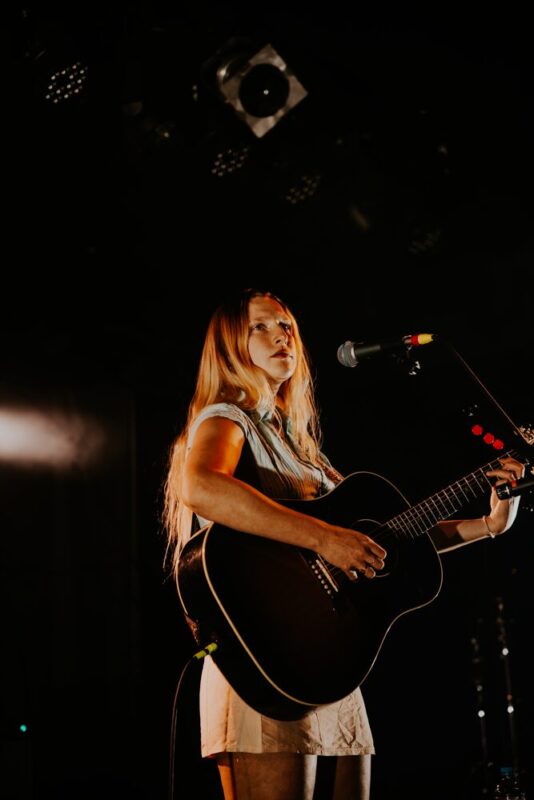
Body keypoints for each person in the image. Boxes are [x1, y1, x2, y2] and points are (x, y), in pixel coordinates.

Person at [163, 288, 524, 800]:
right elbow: (200, 486)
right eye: (259, 327)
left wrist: (489, 523)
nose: (280, 336)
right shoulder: (226, 417)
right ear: (228, 347)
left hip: (329, 662)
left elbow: (386, 539)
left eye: (286, 326)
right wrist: (324, 537)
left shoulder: (301, 447)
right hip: (265, 660)